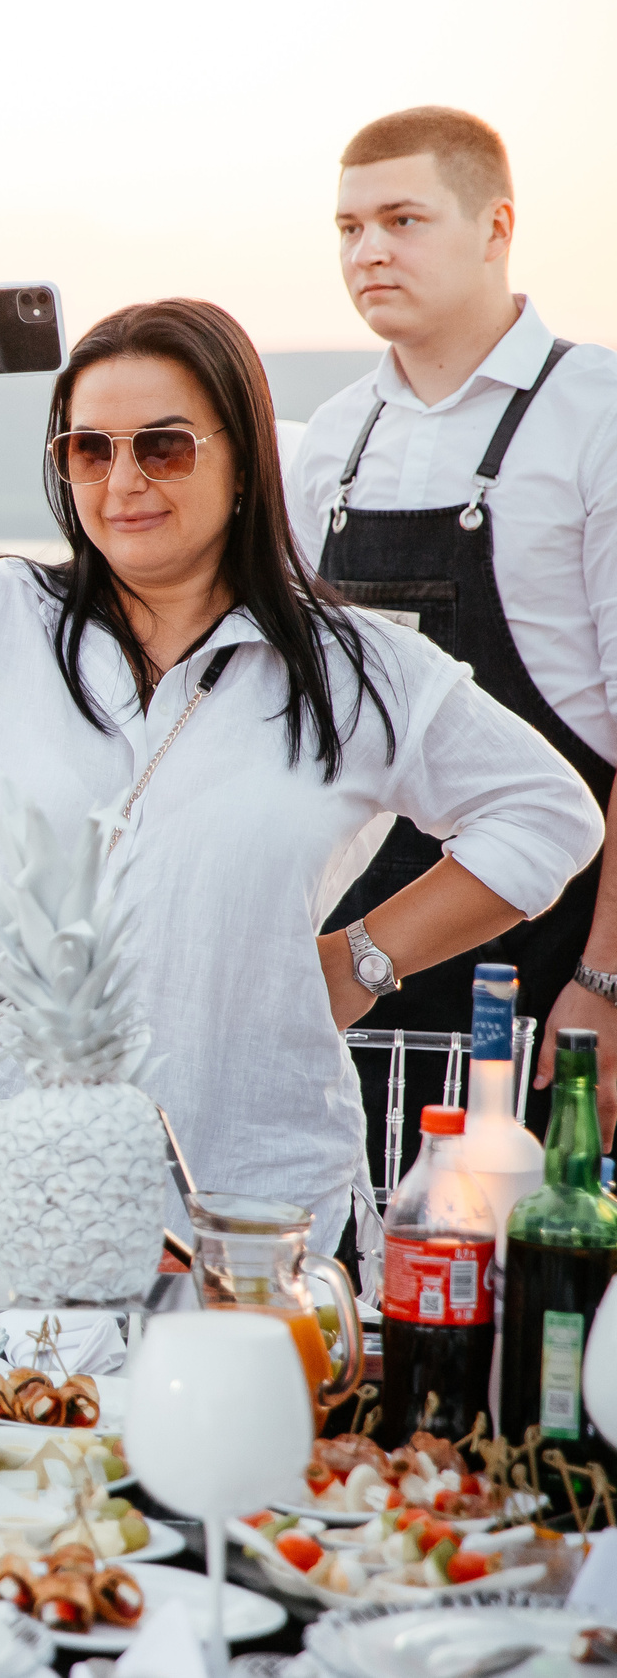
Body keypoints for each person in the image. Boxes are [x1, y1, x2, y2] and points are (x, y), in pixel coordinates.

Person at [0, 280, 601, 1247]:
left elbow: (548, 814)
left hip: (249, 1209)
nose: (122, 480)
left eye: (164, 444)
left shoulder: (351, 667)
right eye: (88, 449)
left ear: (244, 459)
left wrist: (358, 960)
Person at [286, 106, 617, 1152]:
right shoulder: (336, 438)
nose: (368, 250)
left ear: (494, 226)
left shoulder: (595, 416)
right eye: (347, 228)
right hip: (349, 968)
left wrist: (605, 987)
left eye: (402, 218)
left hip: (545, 969)